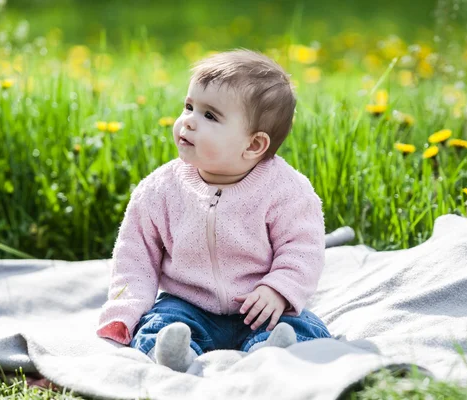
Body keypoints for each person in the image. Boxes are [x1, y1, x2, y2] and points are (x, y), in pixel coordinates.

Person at [96, 49, 331, 372]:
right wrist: (124, 309)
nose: (188, 121)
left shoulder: (286, 191)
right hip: (188, 305)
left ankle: (270, 351)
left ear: (253, 145)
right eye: (189, 106)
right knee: (157, 324)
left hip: (260, 306)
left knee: (304, 326)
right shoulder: (160, 189)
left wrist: (278, 290)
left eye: (210, 116)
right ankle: (176, 354)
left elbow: (303, 249)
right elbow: (135, 256)